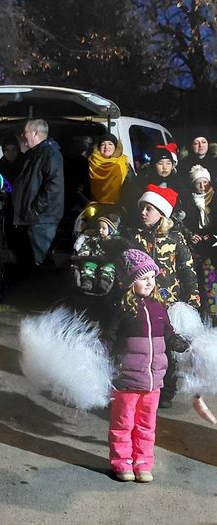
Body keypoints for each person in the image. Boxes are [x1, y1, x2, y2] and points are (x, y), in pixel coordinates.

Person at [101, 249, 188, 482]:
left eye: (152, 277)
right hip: (126, 381)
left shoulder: (159, 307)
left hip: (154, 382)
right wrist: (99, 356)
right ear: (129, 282)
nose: (150, 282)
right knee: (123, 423)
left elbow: (168, 332)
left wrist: (177, 341)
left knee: (147, 424)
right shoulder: (121, 309)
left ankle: (143, 463)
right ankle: (122, 463)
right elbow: (108, 337)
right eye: (143, 278)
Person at [131, 184, 200, 408]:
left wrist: (192, 298)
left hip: (168, 303)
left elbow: (186, 269)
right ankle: (138, 385)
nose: (143, 213)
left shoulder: (175, 238)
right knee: (141, 346)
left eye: (149, 209)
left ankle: (166, 390)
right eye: (142, 208)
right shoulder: (135, 236)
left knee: (166, 349)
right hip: (141, 302)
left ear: (161, 213)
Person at [12, 119, 65, 267]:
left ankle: (45, 282)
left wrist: (35, 209)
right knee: (32, 261)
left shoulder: (50, 154)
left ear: (35, 133)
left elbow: (53, 187)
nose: (23, 136)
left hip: (42, 219)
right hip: (35, 219)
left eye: (25, 132)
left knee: (42, 263)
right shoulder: (36, 153)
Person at [183, 165, 217, 323]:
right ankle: (203, 314)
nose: (203, 186)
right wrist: (191, 235)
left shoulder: (215, 199)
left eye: (205, 182)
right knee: (199, 282)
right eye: (198, 183)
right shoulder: (188, 202)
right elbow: (186, 224)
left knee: (212, 281)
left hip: (213, 246)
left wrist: (211, 237)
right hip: (197, 247)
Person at [75, 214, 121, 294]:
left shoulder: (116, 241)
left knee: (109, 268)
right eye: (99, 227)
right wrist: (84, 254)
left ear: (111, 230)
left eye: (104, 228)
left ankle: (104, 283)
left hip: (108, 261)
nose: (100, 230)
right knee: (88, 265)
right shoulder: (95, 239)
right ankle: (87, 282)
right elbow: (86, 246)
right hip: (94, 259)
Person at [86, 133, 131, 205]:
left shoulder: (123, 162)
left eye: (110, 144)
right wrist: (87, 201)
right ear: (99, 147)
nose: (106, 147)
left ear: (115, 147)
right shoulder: (90, 162)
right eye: (103, 144)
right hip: (95, 206)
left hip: (118, 206)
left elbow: (131, 186)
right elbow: (80, 188)